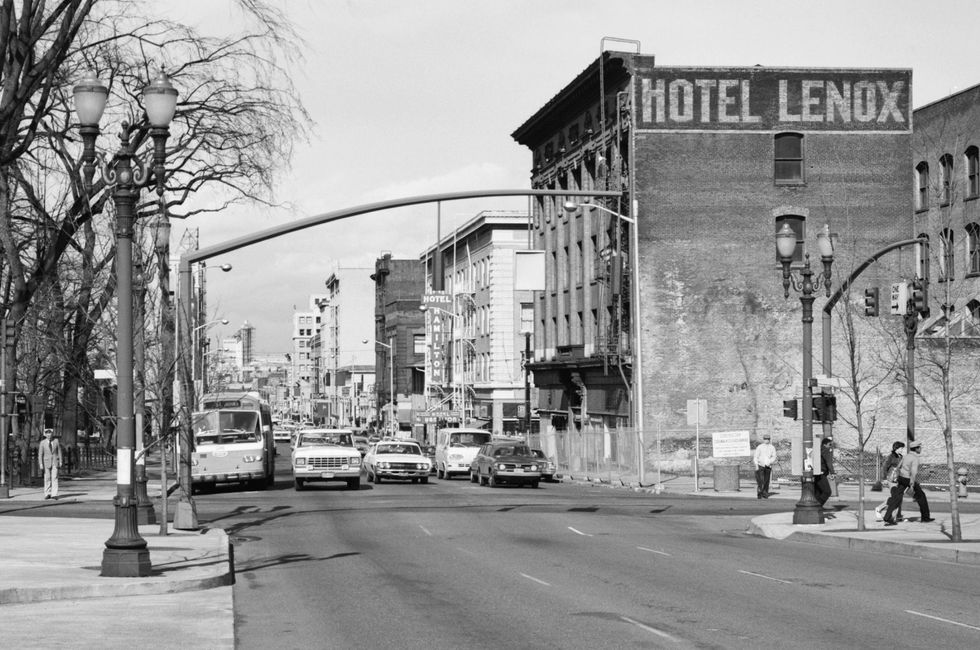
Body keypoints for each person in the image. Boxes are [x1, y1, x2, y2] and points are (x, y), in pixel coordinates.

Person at [883, 440, 933, 525]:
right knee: (921, 496)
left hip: (901, 478)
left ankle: (887, 517)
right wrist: (912, 484)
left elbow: (898, 466)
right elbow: (913, 473)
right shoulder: (915, 458)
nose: (921, 449)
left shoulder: (906, 456)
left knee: (897, 498)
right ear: (916, 449)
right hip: (908, 479)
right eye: (919, 447)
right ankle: (925, 517)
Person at [874, 441, 905, 521]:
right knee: (895, 498)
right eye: (901, 448)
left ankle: (897, 516)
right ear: (896, 448)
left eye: (902, 448)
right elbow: (884, 467)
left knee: (899, 497)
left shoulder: (901, 457)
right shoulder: (891, 457)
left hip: (898, 480)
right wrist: (883, 478)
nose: (902, 450)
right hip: (890, 480)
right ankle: (879, 508)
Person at [38, 428, 62, 500]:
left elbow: (59, 452)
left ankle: (54, 494)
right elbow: (40, 454)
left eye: (50, 433)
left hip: (55, 461)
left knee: (54, 478)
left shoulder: (56, 441)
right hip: (46, 462)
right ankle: (47, 493)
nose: (49, 435)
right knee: (47, 478)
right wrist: (41, 463)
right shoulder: (42, 443)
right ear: (45, 435)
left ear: (52, 434)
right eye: (47, 434)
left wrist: (60, 461)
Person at [753, 433, 777, 499]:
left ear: (769, 440)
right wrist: (756, 465)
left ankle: (765, 493)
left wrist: (770, 461)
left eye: (768, 439)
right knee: (760, 480)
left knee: (766, 480)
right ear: (763, 440)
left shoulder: (772, 447)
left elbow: (774, 456)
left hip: (768, 466)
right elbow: (756, 456)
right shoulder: (760, 447)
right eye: (765, 439)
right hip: (760, 465)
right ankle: (760, 492)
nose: (766, 440)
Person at [814, 437, 835, 508]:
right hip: (821, 473)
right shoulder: (826, 450)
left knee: (818, 493)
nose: (831, 446)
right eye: (830, 444)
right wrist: (832, 472)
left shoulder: (818, 450)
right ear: (825, 444)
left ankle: (816, 508)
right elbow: (829, 462)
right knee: (827, 492)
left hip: (815, 473)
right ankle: (817, 507)